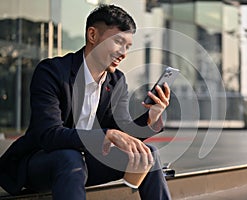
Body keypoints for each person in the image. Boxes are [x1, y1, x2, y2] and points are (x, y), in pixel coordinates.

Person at [0, 4, 172, 200]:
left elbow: (123, 131)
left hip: (84, 163)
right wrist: (106, 135)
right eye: (118, 42)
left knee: (149, 153)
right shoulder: (52, 72)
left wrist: (153, 115)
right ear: (92, 35)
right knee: (70, 157)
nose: (124, 52)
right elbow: (48, 135)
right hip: (41, 162)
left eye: (128, 46)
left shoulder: (116, 81)